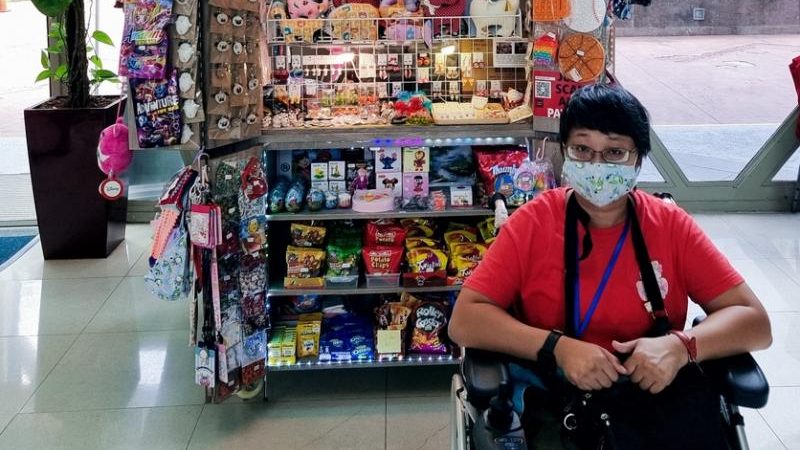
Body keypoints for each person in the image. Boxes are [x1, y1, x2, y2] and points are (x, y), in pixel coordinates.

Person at [449, 84, 771, 409]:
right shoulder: (533, 223)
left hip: (651, 402)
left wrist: (681, 346)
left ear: (639, 160)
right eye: (582, 149)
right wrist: (557, 348)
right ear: (565, 151)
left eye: (615, 152)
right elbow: (464, 320)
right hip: (554, 399)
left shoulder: (671, 226)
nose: (597, 165)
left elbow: (755, 322)